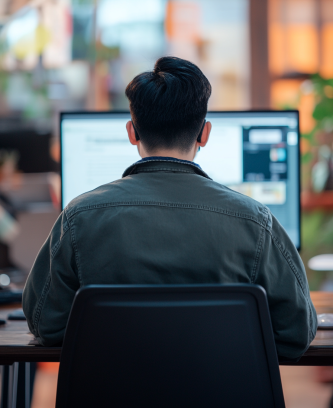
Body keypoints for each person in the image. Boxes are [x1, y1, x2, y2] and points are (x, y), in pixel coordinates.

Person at [23, 56, 316, 359]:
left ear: (131, 132)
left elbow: (45, 324)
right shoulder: (256, 222)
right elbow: (295, 332)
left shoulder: (78, 217)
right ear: (205, 133)